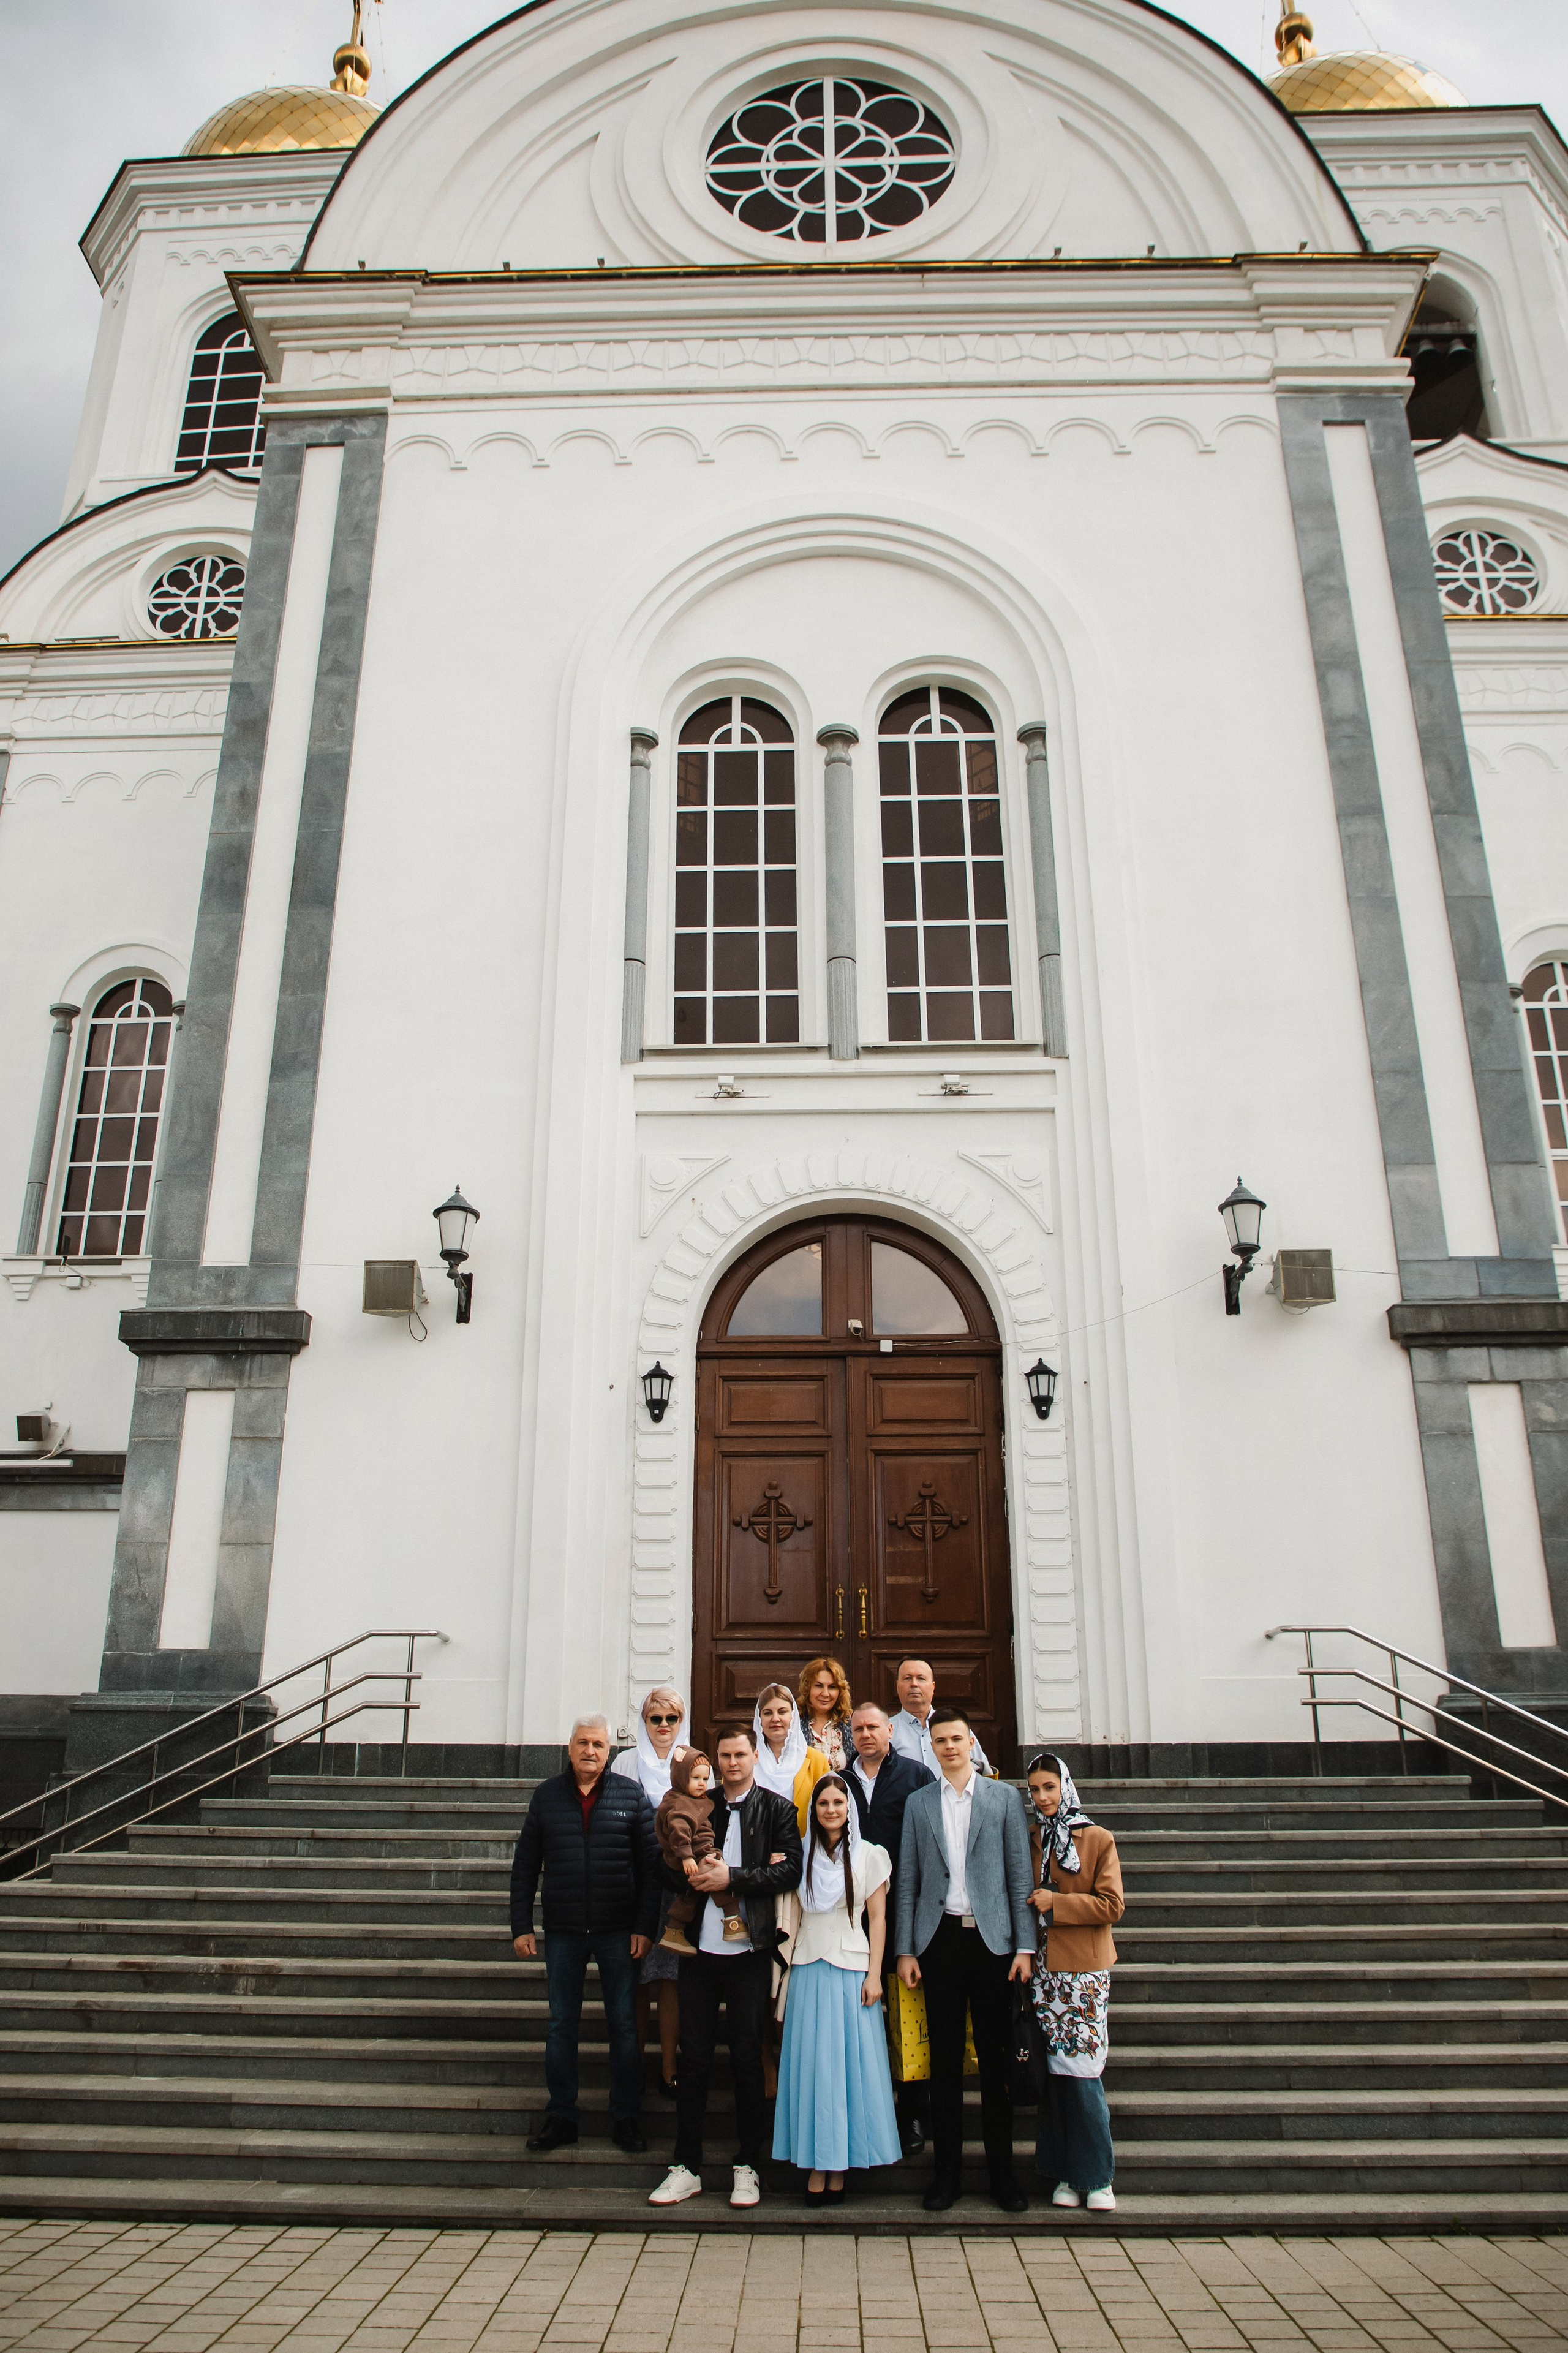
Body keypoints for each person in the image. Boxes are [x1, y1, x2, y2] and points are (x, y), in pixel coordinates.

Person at [647, 1724, 802, 2210]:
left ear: (755, 1756)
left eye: (740, 1754)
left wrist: (732, 1877)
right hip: (698, 1950)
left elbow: (790, 1870)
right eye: (725, 1756)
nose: (732, 1763)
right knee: (693, 2055)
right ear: (715, 1760)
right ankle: (686, 2166)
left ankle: (748, 2165)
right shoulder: (696, 1801)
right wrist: (685, 1870)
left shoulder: (777, 1808)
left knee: (746, 2055)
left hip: (750, 1952)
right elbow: (661, 1864)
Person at [894, 1704, 1034, 2213]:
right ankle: (946, 2177)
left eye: (957, 1738)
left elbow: (1019, 1876)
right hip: (940, 1942)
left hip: (994, 1944)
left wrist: (1025, 1946)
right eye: (941, 1740)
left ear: (970, 1741)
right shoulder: (919, 1803)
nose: (949, 1747)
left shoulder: (1004, 1798)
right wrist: (906, 1949)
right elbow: (908, 1880)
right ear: (930, 1746)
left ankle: (1003, 2177)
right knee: (946, 2063)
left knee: (995, 2064)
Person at [510, 1712, 658, 2155]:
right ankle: (562, 2116)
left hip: (618, 1931)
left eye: (598, 1744)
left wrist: (644, 1927)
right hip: (564, 1930)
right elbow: (525, 1865)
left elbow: (650, 1870)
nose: (590, 1751)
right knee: (561, 2025)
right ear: (570, 1747)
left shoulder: (631, 1795)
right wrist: (522, 1925)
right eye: (583, 1743)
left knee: (624, 2025)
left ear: (609, 1750)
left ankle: (626, 2116)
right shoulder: (547, 1796)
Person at [772, 1773, 902, 2200]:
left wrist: (875, 1974)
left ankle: (842, 2163)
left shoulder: (869, 1855)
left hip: (853, 1969)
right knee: (813, 2067)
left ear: (850, 1809)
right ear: (814, 1810)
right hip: (808, 1965)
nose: (831, 1810)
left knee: (849, 2068)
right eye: (824, 1803)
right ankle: (815, 2161)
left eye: (838, 1803)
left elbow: (878, 1918)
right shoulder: (799, 1854)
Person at [1025, 1752, 1125, 2215]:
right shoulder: (1033, 1838)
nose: (1043, 1797)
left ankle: (1098, 2177)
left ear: (1065, 1786)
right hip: (1044, 1975)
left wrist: (1057, 1903)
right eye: (1035, 1790)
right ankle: (1064, 2172)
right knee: (1056, 2075)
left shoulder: (1097, 1838)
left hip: (1083, 1973)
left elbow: (1112, 1905)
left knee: (1083, 2074)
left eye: (1049, 1787)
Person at [844, 1701, 936, 2156]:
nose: (866, 1734)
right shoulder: (840, 1781)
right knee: (861, 2018)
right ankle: (865, 2110)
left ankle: (914, 2112)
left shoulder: (916, 1776)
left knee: (907, 2018)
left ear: (889, 1732)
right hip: (850, 1919)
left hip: (903, 1914)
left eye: (873, 1727)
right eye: (858, 1728)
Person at [611, 1686, 687, 2098]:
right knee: (637, 1977)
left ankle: (670, 2065)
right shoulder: (625, 1762)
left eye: (671, 1718)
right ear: (644, 1722)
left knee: (671, 1978)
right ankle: (634, 2065)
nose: (663, 1725)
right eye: (655, 1718)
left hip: (676, 1886)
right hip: (634, 1882)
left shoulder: (692, 1760)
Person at [655, 1749, 746, 1949]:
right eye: (695, 1778)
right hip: (696, 1854)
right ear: (681, 1778)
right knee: (719, 1879)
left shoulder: (692, 1800)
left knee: (691, 1893)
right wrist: (686, 1856)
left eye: (705, 1779)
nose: (702, 1783)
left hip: (698, 1851)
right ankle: (733, 1920)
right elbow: (679, 1830)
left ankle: (674, 1931)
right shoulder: (679, 1804)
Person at [889, 1656, 991, 1776]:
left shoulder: (956, 1726)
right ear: (897, 1686)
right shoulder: (887, 1732)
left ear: (933, 1687)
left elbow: (985, 1773)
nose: (914, 1684)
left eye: (921, 1678)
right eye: (907, 1678)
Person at [753, 1682, 831, 1827]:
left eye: (782, 1712)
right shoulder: (745, 1760)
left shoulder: (816, 1761)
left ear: (793, 1716)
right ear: (759, 1719)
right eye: (768, 1713)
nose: (775, 1719)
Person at [798, 1656, 853, 1769]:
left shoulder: (851, 1724)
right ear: (807, 1688)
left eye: (832, 1687)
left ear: (840, 1691)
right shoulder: (794, 1726)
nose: (825, 1694)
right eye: (819, 1686)